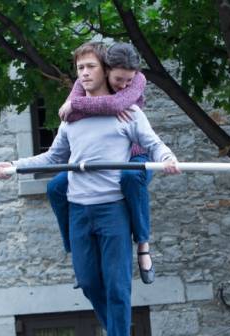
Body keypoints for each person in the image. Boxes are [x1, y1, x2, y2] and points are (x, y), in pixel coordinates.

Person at [0, 42, 179, 336]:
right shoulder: (73, 117)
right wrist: (15, 166)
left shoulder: (128, 111)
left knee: (117, 283)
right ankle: (118, 332)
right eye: (80, 69)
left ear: (104, 70)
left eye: (91, 67)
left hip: (112, 211)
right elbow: (54, 157)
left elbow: (153, 144)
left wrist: (167, 158)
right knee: (89, 281)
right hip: (79, 208)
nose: (85, 73)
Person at [48, 42, 156, 284]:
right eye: (119, 80)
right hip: (104, 159)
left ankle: (143, 245)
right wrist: (84, 107)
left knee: (130, 177)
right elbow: (66, 115)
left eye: (128, 80)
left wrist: (78, 105)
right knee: (55, 187)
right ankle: (75, 250)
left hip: (135, 153)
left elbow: (116, 104)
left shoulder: (137, 79)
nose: (125, 85)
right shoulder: (85, 80)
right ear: (106, 70)